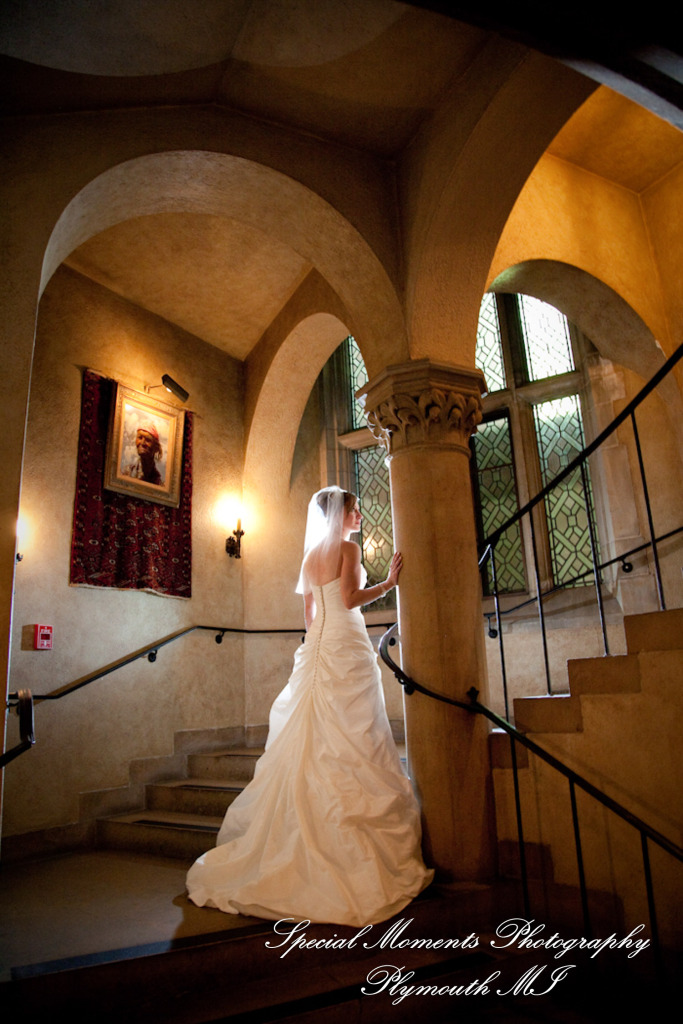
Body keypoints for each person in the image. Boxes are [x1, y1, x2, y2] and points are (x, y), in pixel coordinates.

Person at [186, 485, 433, 926]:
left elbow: (309, 615)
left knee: (315, 730)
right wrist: (391, 584)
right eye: (356, 510)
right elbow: (351, 600)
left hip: (319, 642)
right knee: (354, 730)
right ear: (343, 514)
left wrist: (316, 643)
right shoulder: (348, 549)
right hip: (345, 640)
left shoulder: (309, 555)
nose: (359, 517)